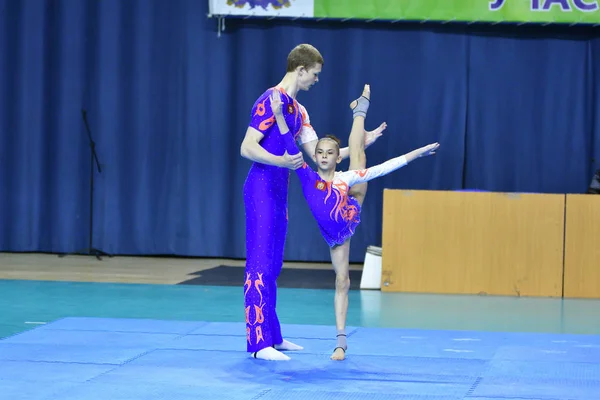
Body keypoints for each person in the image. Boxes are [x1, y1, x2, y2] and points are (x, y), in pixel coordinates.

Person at [269, 84, 439, 361]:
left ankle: (360, 111)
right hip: (335, 237)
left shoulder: (344, 178)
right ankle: (358, 113)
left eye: (329, 153)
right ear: (316, 156)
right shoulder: (305, 174)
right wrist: (278, 115)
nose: (323, 156)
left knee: (360, 157)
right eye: (320, 152)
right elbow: (290, 143)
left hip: (351, 207)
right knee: (342, 280)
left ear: (337, 157)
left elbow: (382, 170)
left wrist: (415, 154)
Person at [239, 44, 385, 361]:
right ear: (301, 70)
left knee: (274, 263)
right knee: (260, 262)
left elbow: (321, 154)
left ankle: (273, 337)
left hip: (280, 189)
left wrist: (360, 143)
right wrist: (280, 161)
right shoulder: (270, 100)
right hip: (261, 188)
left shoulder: (300, 112)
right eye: (315, 75)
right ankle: (257, 342)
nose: (316, 81)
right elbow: (247, 147)